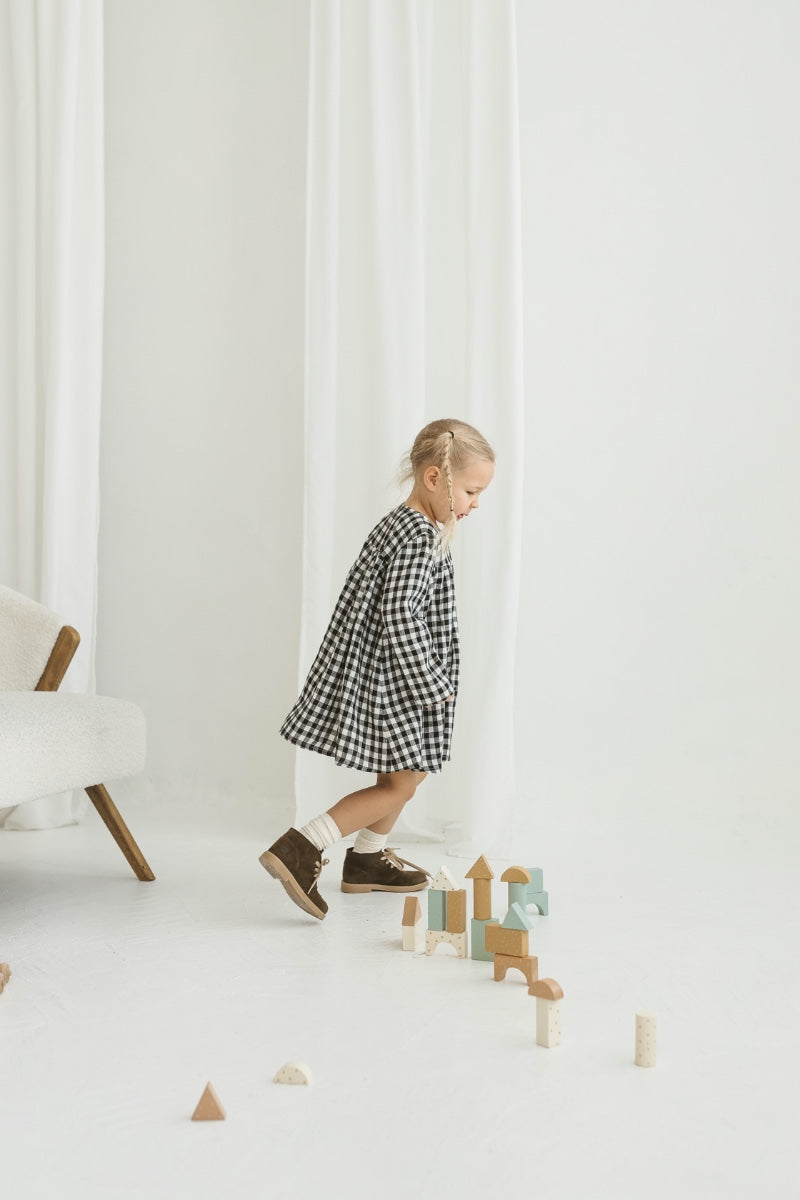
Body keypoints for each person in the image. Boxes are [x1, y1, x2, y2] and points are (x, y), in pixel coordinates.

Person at [259, 418, 495, 919]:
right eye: (472, 492)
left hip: (386, 673)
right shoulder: (416, 537)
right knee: (401, 782)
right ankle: (301, 846)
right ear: (435, 480)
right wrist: (431, 682)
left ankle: (367, 861)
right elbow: (400, 613)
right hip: (398, 680)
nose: (475, 504)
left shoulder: (405, 523)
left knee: (409, 772)